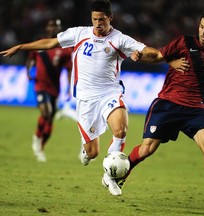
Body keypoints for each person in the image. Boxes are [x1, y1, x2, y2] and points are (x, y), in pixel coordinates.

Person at [1, 0, 179, 194]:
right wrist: (21, 47)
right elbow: (50, 42)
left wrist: (149, 56)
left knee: (120, 130)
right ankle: (88, 152)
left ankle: (110, 176)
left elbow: (148, 52)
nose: (98, 23)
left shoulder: (119, 39)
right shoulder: (79, 33)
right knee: (92, 152)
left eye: (102, 19)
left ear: (110, 18)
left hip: (110, 93)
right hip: (85, 100)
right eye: (94, 19)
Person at [109, 10, 204, 213]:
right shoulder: (185, 42)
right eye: (201, 27)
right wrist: (143, 57)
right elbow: (159, 55)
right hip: (168, 104)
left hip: (195, 108)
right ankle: (118, 177)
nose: (203, 32)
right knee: (147, 149)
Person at [25, 18, 73, 162]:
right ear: (47, 28)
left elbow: (69, 70)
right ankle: (36, 137)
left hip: (54, 88)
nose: (53, 29)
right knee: (46, 112)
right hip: (40, 85)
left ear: (60, 29)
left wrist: (69, 88)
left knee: (50, 119)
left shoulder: (64, 49)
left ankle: (41, 147)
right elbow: (30, 59)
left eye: (56, 26)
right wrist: (28, 73)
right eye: (51, 26)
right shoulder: (40, 44)